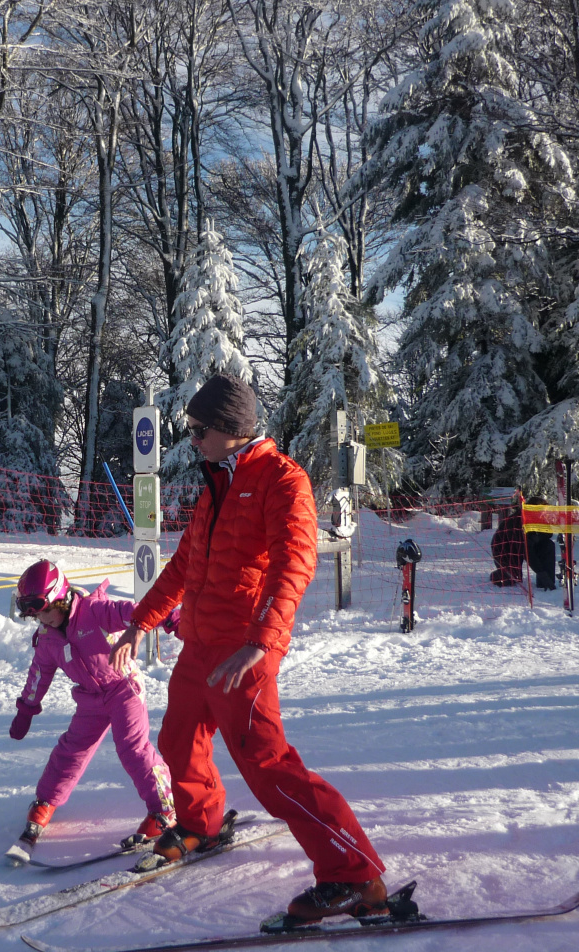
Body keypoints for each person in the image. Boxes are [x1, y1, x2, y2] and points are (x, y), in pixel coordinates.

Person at [109, 373, 387, 924]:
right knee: (178, 737)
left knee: (269, 767)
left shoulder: (283, 479)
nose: (191, 439)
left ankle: (355, 876)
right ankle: (200, 823)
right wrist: (141, 621)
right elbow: (184, 565)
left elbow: (296, 563)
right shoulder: (215, 484)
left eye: (198, 429)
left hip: (245, 651)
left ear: (230, 429)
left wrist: (263, 640)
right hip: (201, 645)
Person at [8, 559, 176, 860]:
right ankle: (45, 801)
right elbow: (39, 673)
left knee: (132, 748)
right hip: (89, 698)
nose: (42, 621)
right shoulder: (48, 639)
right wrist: (27, 708)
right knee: (71, 750)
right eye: (35, 617)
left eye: (44, 612)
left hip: (123, 688)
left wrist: (168, 615)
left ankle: (165, 810)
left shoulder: (93, 611)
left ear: (59, 599)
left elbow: (133, 611)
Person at [489, 504, 526, 587]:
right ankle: (497, 575)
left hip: (513, 548)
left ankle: (511, 573)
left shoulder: (531, 519)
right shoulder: (516, 521)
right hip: (501, 549)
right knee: (509, 580)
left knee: (515, 577)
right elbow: (519, 545)